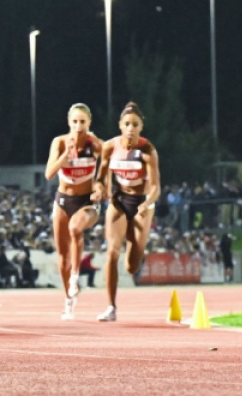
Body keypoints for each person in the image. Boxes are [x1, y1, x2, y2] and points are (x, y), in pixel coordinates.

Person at [94, 102, 162, 322]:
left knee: (132, 265)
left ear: (141, 127)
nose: (131, 128)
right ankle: (111, 307)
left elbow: (156, 188)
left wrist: (146, 203)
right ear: (120, 125)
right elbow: (100, 176)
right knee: (112, 251)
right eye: (127, 124)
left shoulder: (148, 150)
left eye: (135, 124)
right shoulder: (110, 147)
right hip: (119, 201)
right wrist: (101, 188)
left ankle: (136, 255)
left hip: (142, 203)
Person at [43, 103, 104, 320]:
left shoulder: (95, 144)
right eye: (75, 122)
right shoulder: (59, 142)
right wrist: (64, 158)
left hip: (86, 202)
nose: (79, 126)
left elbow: (109, 168)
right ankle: (68, 300)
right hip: (63, 200)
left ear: (89, 123)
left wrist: (100, 187)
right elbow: (49, 173)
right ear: (69, 122)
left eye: (83, 122)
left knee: (75, 228)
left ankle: (75, 277)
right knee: (62, 256)